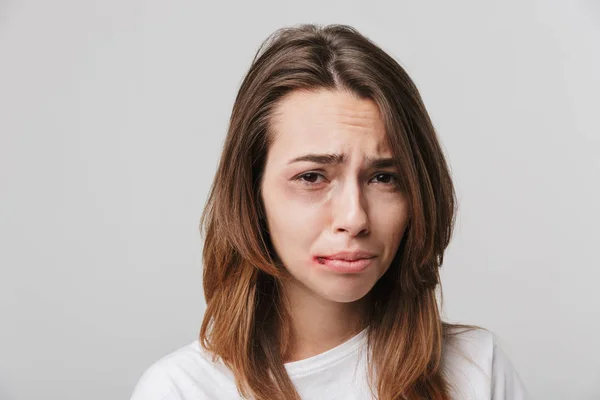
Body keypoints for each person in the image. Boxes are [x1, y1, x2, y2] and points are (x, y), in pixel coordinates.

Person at [130, 24, 530, 400]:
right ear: (251, 194)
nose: (354, 219)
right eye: (312, 177)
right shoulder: (183, 390)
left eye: (384, 178)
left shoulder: (476, 371)